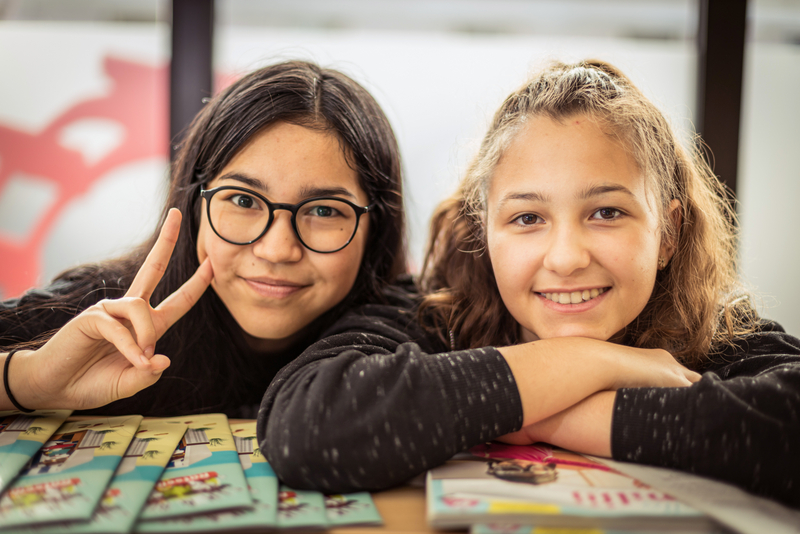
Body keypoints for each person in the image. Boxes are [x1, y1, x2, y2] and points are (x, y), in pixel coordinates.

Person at [258, 60, 800, 508]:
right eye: (526, 219)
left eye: (607, 212)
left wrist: (562, 417)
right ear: (483, 233)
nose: (565, 258)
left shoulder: (716, 334)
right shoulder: (432, 316)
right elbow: (306, 426)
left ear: (670, 233)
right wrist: (594, 363)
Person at [0, 60, 406, 418]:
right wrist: (31, 380)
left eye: (323, 210)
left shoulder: (403, 331)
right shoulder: (109, 318)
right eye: (244, 200)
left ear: (376, 227)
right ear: (195, 206)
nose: (277, 250)